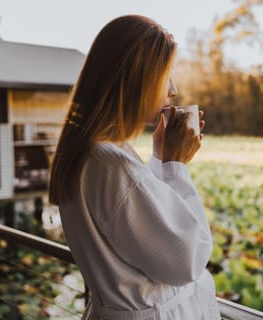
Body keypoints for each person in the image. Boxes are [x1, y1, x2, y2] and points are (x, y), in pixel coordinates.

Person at [48, 15, 220, 320]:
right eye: (166, 75)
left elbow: (135, 226)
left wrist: (159, 158)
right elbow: (186, 260)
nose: (174, 89)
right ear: (137, 79)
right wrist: (174, 165)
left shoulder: (93, 153)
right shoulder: (110, 163)